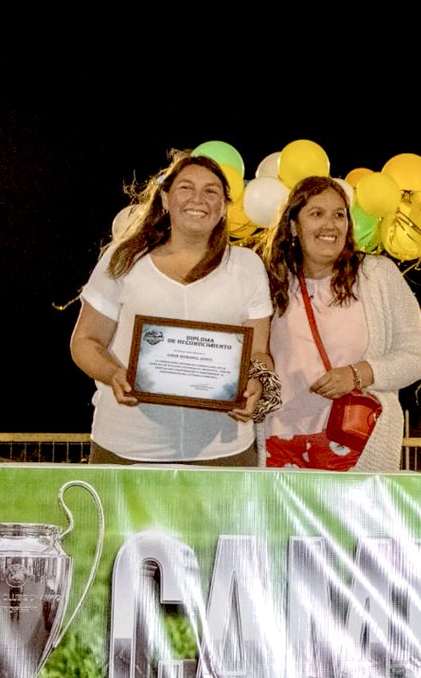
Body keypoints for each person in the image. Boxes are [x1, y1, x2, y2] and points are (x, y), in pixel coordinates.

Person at [70, 152, 274, 465]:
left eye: (211, 191)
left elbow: (259, 353)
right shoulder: (122, 259)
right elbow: (84, 341)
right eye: (185, 188)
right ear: (165, 200)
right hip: (126, 448)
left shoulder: (247, 266)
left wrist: (255, 383)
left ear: (223, 208)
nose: (198, 199)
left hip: (222, 452)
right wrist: (113, 374)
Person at [257, 176, 421, 472]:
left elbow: (415, 359)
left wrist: (357, 374)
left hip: (357, 441)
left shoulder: (378, 276)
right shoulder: (270, 280)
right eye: (316, 214)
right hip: (280, 442)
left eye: (339, 214)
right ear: (294, 226)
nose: (330, 224)